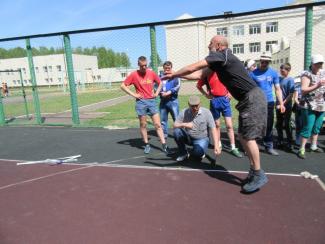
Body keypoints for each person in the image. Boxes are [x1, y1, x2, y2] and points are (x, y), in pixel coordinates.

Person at [163, 35, 273, 193]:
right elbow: (198, 75)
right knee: (243, 136)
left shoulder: (223, 55)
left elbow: (193, 67)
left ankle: (258, 173)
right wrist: (176, 74)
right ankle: (253, 170)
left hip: (253, 98)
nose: (208, 46)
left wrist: (174, 74)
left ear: (219, 45)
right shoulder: (219, 62)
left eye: (211, 44)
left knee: (248, 138)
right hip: (247, 100)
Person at [120, 56, 170, 155]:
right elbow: (122, 86)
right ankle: (146, 144)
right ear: (138, 65)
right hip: (141, 102)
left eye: (145, 65)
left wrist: (156, 93)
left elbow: (160, 83)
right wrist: (134, 94)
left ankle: (164, 145)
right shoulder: (134, 75)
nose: (144, 67)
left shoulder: (151, 73)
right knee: (143, 125)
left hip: (152, 102)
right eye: (142, 66)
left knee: (157, 124)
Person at [196, 71, 243, 157]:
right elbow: (198, 86)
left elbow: (232, 82)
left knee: (229, 125)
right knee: (217, 125)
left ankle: (233, 147)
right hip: (214, 101)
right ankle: (219, 144)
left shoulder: (223, 71)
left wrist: (230, 93)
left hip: (225, 101)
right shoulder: (207, 74)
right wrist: (206, 95)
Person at [250, 52, 285, 156]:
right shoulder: (253, 73)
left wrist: (282, 103)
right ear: (260, 61)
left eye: (266, 62)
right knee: (256, 125)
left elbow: (278, 89)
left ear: (269, 62)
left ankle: (269, 146)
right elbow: (249, 89)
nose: (264, 63)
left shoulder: (273, 73)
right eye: (262, 61)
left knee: (269, 125)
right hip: (257, 102)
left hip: (269, 102)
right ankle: (253, 147)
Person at [173, 95, 220, 162]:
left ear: (200, 103)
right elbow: (175, 125)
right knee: (176, 132)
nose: (195, 108)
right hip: (188, 137)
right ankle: (183, 153)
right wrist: (185, 124)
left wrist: (216, 145)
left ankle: (198, 151)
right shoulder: (184, 112)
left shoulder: (206, 112)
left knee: (197, 153)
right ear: (189, 104)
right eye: (192, 106)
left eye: (196, 105)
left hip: (202, 139)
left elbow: (213, 129)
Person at [297, 54, 325, 159]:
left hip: (321, 104)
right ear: (312, 63)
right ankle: (302, 148)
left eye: (321, 63)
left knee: (317, 127)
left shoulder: (323, 73)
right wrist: (317, 85)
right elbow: (303, 90)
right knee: (307, 127)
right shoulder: (306, 74)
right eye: (317, 63)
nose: (319, 65)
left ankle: (313, 146)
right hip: (309, 105)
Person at [275, 63, 295, 151]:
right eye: (280, 70)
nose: (281, 72)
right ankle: (280, 140)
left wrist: (283, 103)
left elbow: (291, 94)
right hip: (278, 105)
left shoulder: (290, 80)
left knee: (286, 124)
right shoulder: (279, 79)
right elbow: (277, 90)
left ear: (288, 70)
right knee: (279, 124)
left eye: (283, 71)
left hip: (287, 105)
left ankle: (290, 142)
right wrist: (279, 103)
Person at [159, 61, 181, 139]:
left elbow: (178, 86)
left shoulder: (175, 76)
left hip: (173, 100)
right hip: (163, 101)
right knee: (163, 119)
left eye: (169, 68)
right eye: (165, 68)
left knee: (176, 118)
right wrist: (161, 93)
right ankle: (164, 134)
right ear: (163, 68)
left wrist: (169, 92)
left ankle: (178, 134)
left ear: (171, 68)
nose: (167, 70)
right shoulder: (160, 76)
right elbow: (155, 86)